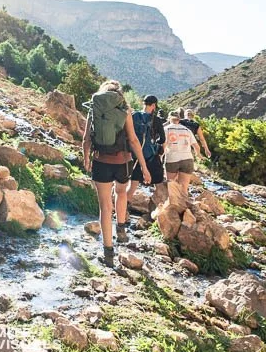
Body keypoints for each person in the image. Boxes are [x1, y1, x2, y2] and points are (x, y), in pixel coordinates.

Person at [82, 80, 150, 266]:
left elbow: (86, 138)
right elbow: (134, 140)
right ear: (119, 94)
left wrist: (86, 158)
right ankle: (121, 229)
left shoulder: (94, 108)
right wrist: (144, 167)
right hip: (123, 162)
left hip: (101, 162)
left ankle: (108, 253)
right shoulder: (124, 109)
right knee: (121, 192)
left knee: (105, 206)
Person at [125, 95, 166, 239]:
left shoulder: (134, 116)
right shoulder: (156, 120)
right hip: (151, 156)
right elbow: (162, 139)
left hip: (136, 156)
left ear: (144, 104)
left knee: (132, 186)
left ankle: (123, 212)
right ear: (153, 105)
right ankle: (161, 215)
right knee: (159, 185)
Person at [163, 108, 199, 195]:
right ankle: (184, 202)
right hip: (187, 159)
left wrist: (160, 157)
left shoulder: (166, 129)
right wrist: (198, 155)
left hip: (172, 159)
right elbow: (196, 146)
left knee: (171, 186)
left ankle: (172, 202)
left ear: (169, 119)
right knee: (184, 188)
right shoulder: (187, 130)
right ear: (179, 119)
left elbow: (163, 146)